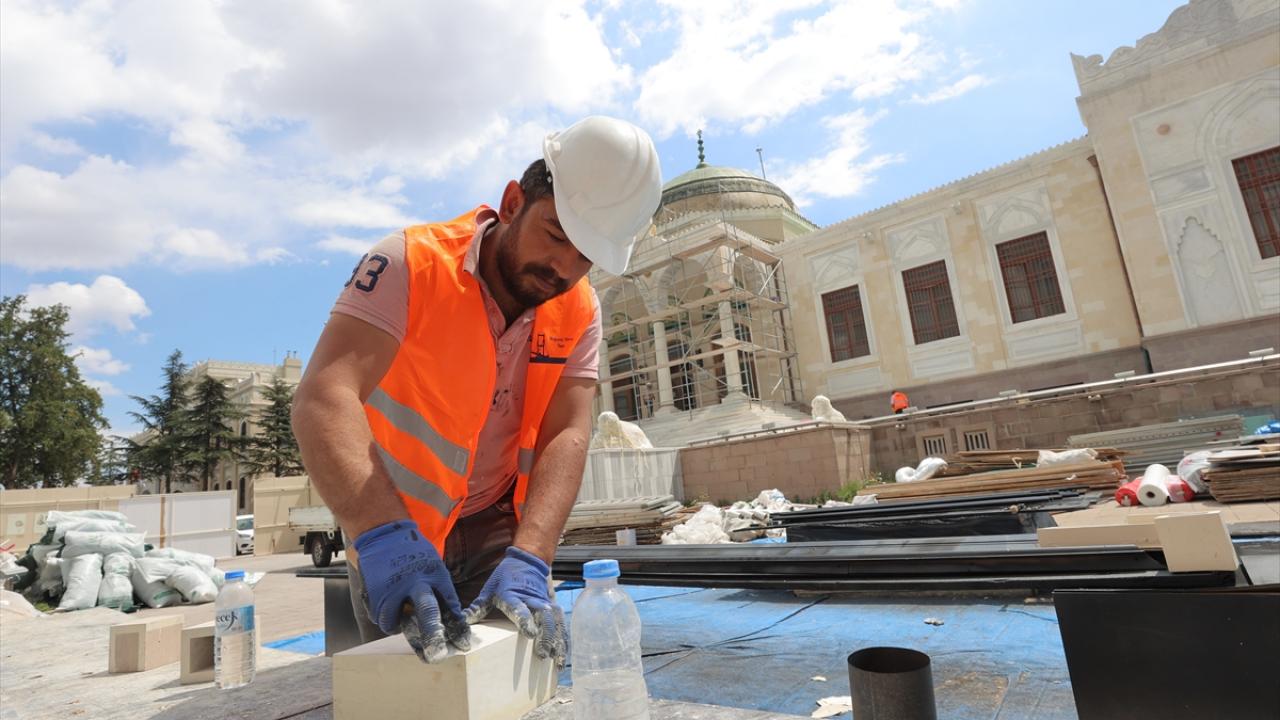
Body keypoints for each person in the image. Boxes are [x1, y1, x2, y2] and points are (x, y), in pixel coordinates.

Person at [291, 116, 662, 667]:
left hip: (497, 525)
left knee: (510, 682)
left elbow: (567, 429)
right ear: (513, 203)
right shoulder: (410, 263)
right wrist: (381, 532)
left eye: (586, 254)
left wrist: (532, 554)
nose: (563, 267)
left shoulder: (579, 308)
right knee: (402, 689)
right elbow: (324, 397)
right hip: (394, 523)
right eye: (556, 235)